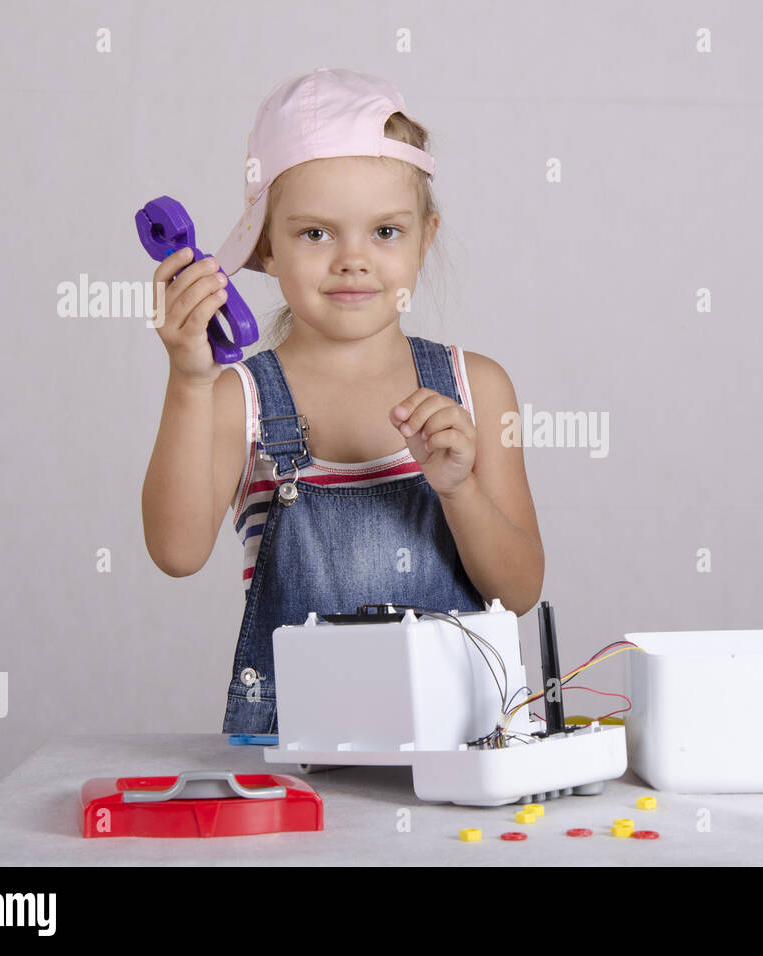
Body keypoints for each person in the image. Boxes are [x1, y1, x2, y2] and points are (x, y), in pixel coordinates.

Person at [141, 68, 544, 733]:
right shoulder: (235, 399)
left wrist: (460, 490)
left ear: (425, 237)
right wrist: (188, 383)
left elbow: (520, 591)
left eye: (385, 232)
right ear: (266, 247)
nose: (353, 259)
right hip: (297, 762)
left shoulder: (480, 389)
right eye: (316, 234)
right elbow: (175, 552)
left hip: (462, 755)